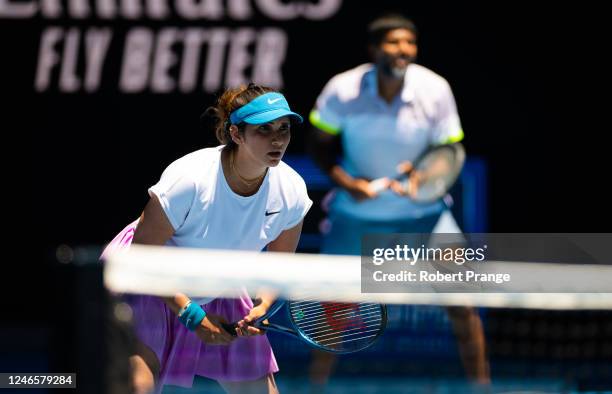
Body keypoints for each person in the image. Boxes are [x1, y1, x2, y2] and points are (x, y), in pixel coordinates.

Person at [307, 13, 490, 386]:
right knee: (331, 312)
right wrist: (346, 181)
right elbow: (318, 144)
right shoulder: (343, 89)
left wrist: (424, 178)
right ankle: (312, 388)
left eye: (409, 42)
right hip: (356, 215)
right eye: (393, 42)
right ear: (374, 49)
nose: (402, 50)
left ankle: (483, 388)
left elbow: (450, 150)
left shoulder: (435, 88)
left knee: (463, 304)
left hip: (426, 214)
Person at [101, 83, 312, 393]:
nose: (278, 138)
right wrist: (191, 314)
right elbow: (142, 257)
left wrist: (263, 304)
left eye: (284, 128)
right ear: (236, 133)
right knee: (136, 385)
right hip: (146, 274)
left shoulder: (292, 190)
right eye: (264, 129)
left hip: (218, 280)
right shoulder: (191, 179)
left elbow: (277, 265)